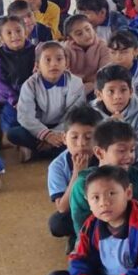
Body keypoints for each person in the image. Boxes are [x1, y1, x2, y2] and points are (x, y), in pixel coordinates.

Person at [70, 120, 138, 235]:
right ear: (99, 152)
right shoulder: (83, 184)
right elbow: (81, 224)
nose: (129, 156)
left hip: (134, 232)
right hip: (99, 238)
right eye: (122, 151)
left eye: (132, 150)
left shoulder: (136, 176)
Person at [10, 41, 86, 161]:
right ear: (37, 65)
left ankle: (36, 151)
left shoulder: (76, 83)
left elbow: (74, 116)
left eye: (59, 59)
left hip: (64, 128)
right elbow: (25, 115)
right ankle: (49, 150)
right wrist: (46, 135)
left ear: (66, 63)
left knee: (79, 139)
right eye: (47, 60)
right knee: (14, 133)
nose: (54, 64)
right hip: (38, 127)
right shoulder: (30, 84)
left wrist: (56, 136)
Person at [47, 104, 102, 245]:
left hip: (106, 206)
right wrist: (78, 173)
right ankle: (83, 234)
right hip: (78, 211)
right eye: (74, 137)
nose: (81, 144)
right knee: (57, 223)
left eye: (89, 137)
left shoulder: (105, 156)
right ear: (64, 138)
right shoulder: (57, 166)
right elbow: (62, 207)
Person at [92, 65, 138, 167]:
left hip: (130, 164)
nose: (118, 96)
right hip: (99, 162)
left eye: (123, 90)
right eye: (111, 91)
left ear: (131, 92)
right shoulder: (91, 114)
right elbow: (88, 145)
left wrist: (121, 131)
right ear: (99, 95)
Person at [0, 16, 36, 130]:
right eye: (9, 33)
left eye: (18, 31)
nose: (15, 35)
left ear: (25, 32)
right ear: (1, 39)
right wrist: (14, 100)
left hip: (34, 94)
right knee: (13, 122)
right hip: (11, 99)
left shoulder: (36, 50)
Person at [64, 15, 111, 97]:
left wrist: (89, 84)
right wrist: (85, 82)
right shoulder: (65, 50)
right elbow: (64, 75)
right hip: (72, 89)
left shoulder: (104, 47)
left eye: (88, 29)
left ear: (93, 28)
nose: (86, 35)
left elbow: (104, 74)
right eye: (79, 34)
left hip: (97, 88)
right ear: (70, 39)